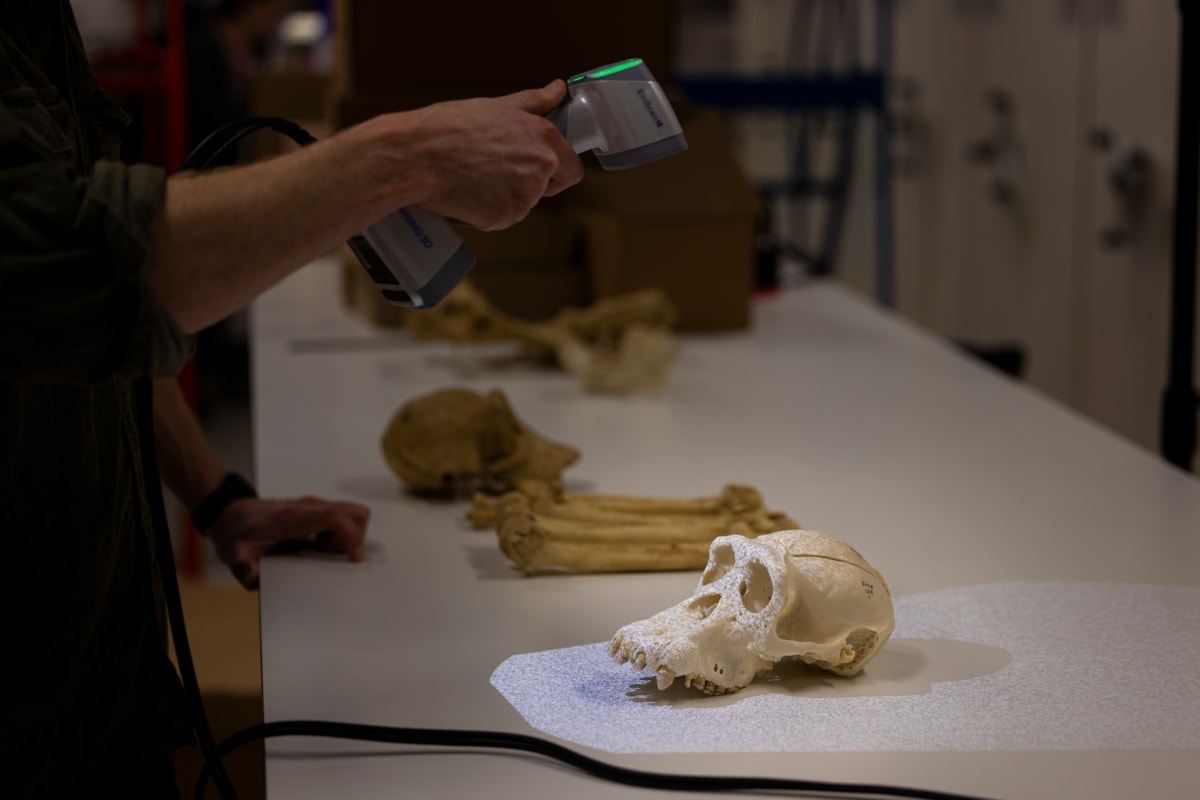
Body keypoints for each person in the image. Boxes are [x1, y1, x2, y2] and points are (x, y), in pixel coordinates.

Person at [0, 2, 584, 797]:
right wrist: (404, 159)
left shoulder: (39, 24)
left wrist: (216, 495)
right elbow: (69, 263)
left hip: (100, 680)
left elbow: (84, 333)